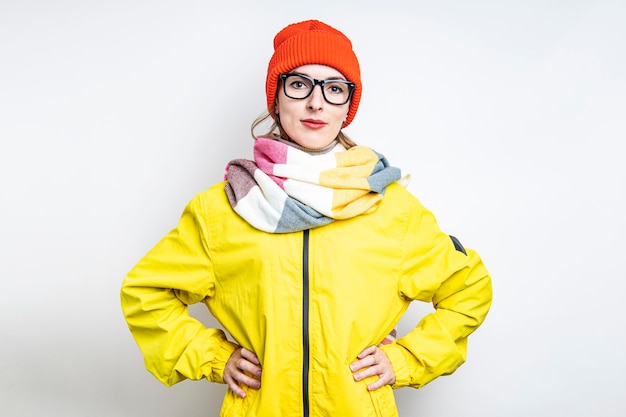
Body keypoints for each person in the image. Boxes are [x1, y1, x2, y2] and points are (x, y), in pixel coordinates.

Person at [120, 19, 492, 417]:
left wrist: (406, 359)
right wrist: (212, 356)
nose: (316, 103)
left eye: (334, 89)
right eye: (299, 84)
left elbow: (467, 289)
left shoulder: (389, 207)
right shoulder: (222, 209)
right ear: (276, 98)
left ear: (347, 106)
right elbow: (147, 293)